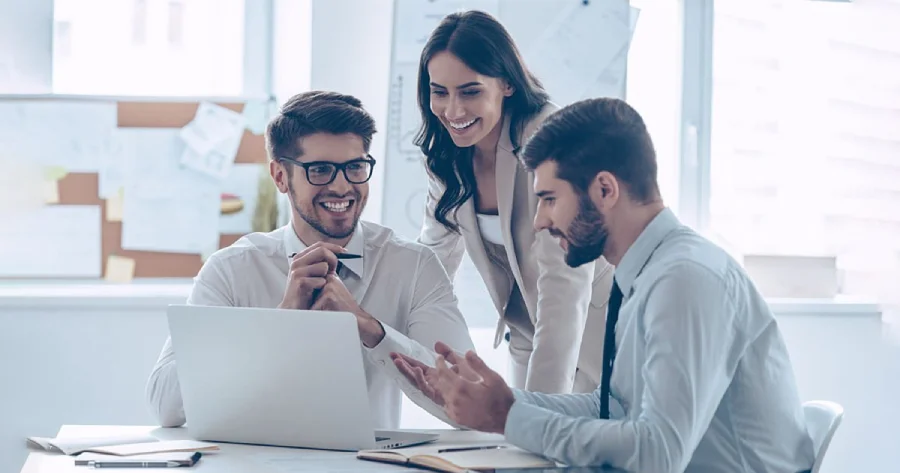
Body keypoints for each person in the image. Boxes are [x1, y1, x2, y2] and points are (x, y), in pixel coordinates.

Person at [393, 98, 816, 472]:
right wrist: (500, 401)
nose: (540, 220)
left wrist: (507, 417)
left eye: (549, 198)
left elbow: (658, 454)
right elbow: (613, 407)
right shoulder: (645, 273)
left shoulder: (684, 280)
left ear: (604, 189)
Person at [146, 91, 475, 429]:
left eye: (355, 167)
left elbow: (473, 404)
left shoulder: (414, 267)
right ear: (279, 177)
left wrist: (369, 328)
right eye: (320, 170)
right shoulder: (232, 270)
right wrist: (280, 323)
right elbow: (167, 406)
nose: (342, 186)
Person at [415, 9, 614, 394]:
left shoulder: (551, 140)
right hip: (527, 336)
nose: (452, 111)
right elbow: (430, 269)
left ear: (506, 83)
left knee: (561, 442)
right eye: (439, 92)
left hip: (600, 334)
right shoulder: (446, 157)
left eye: (470, 91)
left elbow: (565, 286)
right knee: (519, 447)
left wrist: (541, 418)